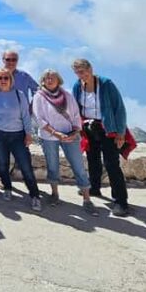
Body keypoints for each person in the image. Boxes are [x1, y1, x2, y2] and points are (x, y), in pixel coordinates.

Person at [32, 69, 98, 216]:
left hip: (70, 135)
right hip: (49, 137)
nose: (49, 80)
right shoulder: (39, 97)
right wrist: (56, 133)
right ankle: (54, 194)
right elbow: (39, 118)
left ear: (59, 80)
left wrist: (74, 132)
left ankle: (87, 199)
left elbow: (75, 115)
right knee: (53, 165)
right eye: (46, 78)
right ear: (43, 81)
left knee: (78, 166)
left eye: (52, 78)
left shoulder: (67, 95)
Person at [71, 58, 130, 217]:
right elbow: (75, 107)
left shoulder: (106, 84)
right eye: (77, 72)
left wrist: (121, 133)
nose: (80, 75)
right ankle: (94, 187)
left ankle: (120, 201)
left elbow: (119, 108)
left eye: (82, 71)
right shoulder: (78, 86)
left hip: (107, 128)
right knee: (92, 159)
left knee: (111, 163)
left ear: (90, 69)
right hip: (89, 128)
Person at [0, 67, 42, 211]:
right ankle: (7, 188)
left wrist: (28, 133)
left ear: (11, 80)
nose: (3, 81)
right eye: (0, 78)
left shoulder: (19, 94)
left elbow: (25, 116)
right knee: (2, 164)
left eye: (6, 78)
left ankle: (35, 196)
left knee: (26, 166)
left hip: (17, 135)